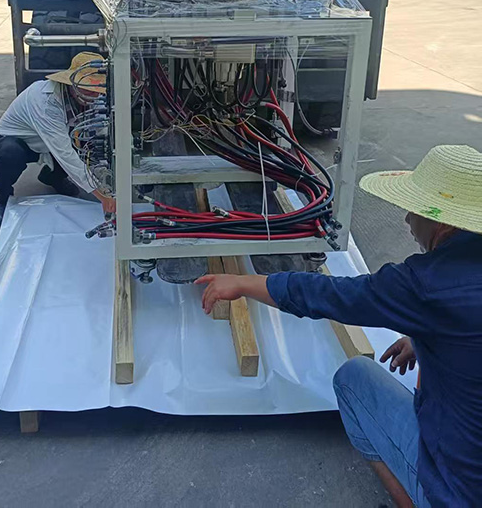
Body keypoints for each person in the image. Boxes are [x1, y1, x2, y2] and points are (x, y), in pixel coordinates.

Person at [196, 145, 482, 508]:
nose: (408, 220)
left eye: (416, 210)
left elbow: (332, 296)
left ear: (442, 222)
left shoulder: (425, 285)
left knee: (352, 378)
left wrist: (243, 283)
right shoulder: (444, 292)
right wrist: (423, 335)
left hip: (462, 492)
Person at [0, 52, 115, 226]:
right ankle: (3, 198)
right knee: (10, 153)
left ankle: (52, 177)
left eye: (96, 89)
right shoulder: (45, 101)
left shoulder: (89, 97)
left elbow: (100, 132)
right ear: (72, 82)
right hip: (16, 141)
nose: (93, 94)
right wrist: (101, 195)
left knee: (86, 143)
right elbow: (64, 153)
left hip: (48, 143)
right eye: (87, 89)